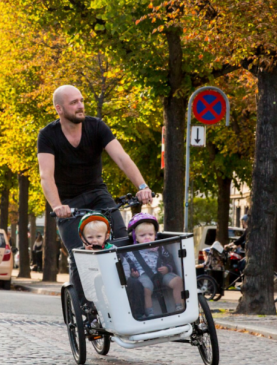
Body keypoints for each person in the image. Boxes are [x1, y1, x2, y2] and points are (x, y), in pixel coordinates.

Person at [38, 85, 152, 302]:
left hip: (98, 195)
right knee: (80, 255)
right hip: (68, 204)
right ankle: (86, 309)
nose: (80, 106)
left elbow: (121, 158)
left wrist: (142, 186)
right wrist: (57, 206)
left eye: (81, 100)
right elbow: (46, 176)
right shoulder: (48, 135)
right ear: (59, 109)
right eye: (74, 103)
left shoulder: (96, 127)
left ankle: (132, 299)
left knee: (121, 242)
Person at [122, 213, 184, 318]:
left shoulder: (160, 248)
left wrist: (168, 268)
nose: (147, 238)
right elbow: (129, 263)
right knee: (146, 288)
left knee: (178, 281)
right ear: (135, 237)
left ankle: (179, 307)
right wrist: (134, 272)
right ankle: (149, 312)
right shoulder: (131, 251)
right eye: (142, 235)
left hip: (162, 273)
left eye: (150, 235)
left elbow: (169, 259)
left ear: (155, 235)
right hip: (143, 274)